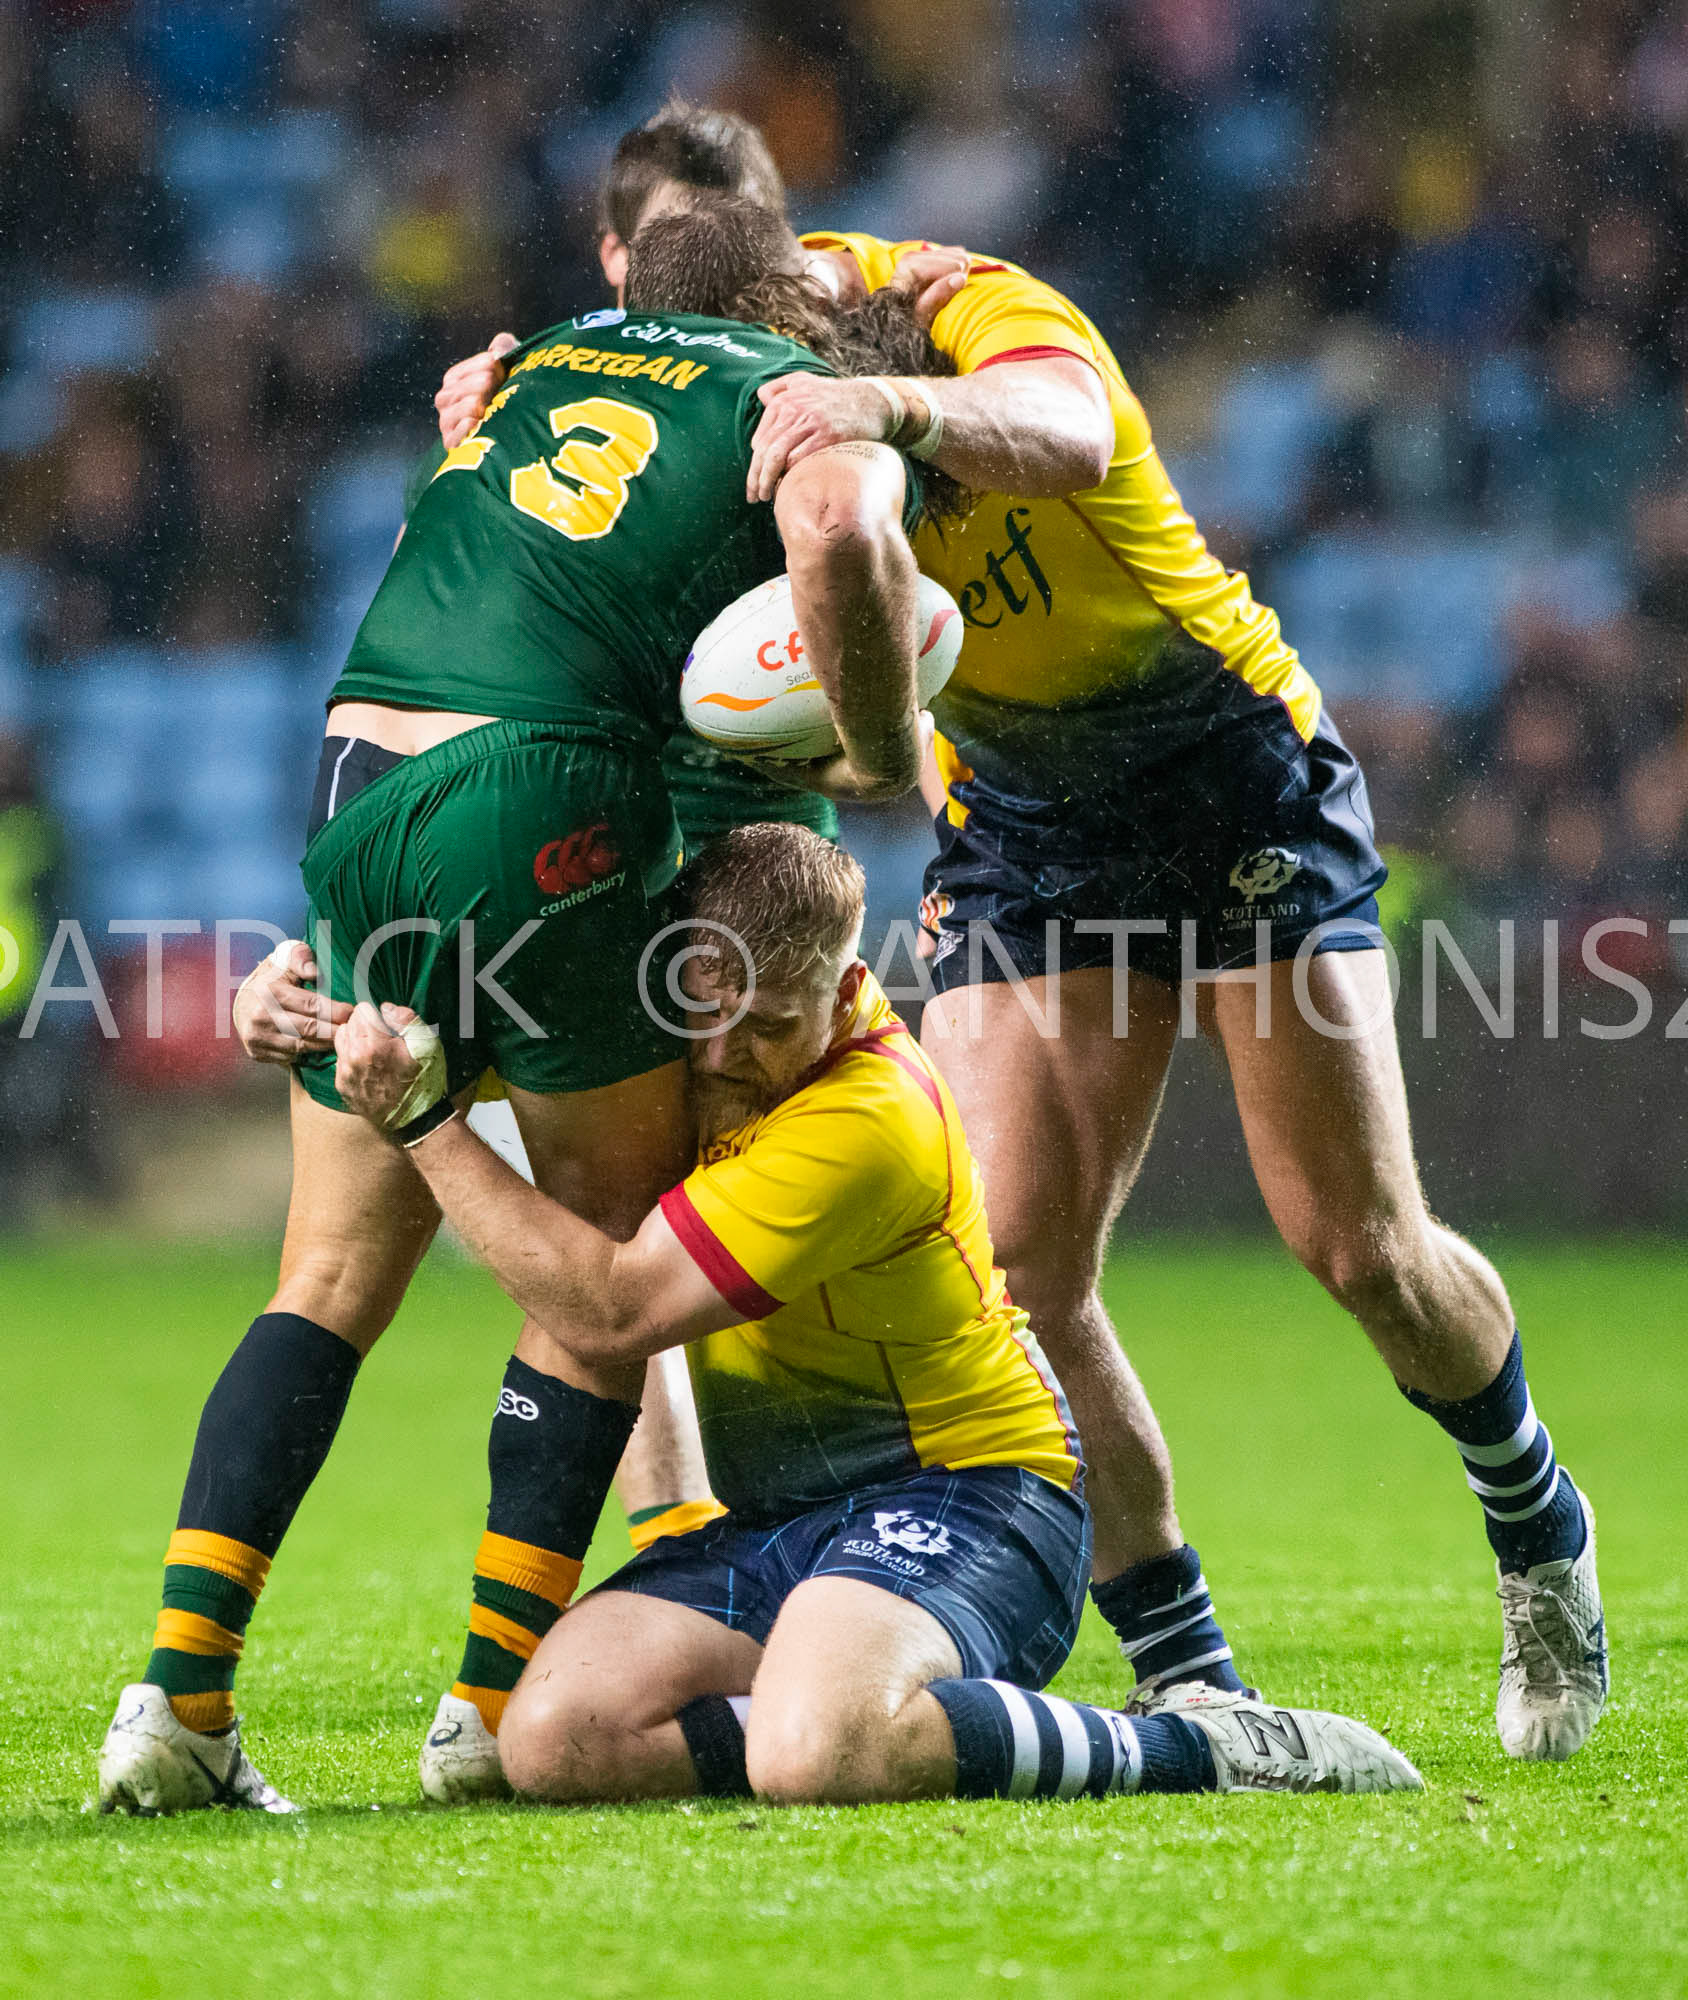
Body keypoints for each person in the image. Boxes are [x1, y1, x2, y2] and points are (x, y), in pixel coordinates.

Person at [434, 105, 1607, 1761]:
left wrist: (882, 408)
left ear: (815, 310)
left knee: (1354, 1243)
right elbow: (597, 445)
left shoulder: (952, 306)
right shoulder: (709, 362)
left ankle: (1533, 1526)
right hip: (1032, 821)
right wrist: (500, 406)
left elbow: (1058, 429)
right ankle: (1188, 1674)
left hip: (1230, 770)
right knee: (1017, 1267)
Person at [95, 198, 949, 1816]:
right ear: (784, 303)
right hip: (540, 784)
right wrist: (883, 751)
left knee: (326, 1276)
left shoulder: (533, 366)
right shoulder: (788, 399)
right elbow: (838, 536)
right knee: (596, 1274)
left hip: (358, 776)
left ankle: (178, 1704)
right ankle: (488, 1709)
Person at [327, 821, 1423, 1808]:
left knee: (813, 1760)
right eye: (702, 1016)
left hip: (975, 1495)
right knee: (556, 1738)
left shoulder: (865, 1120)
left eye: (763, 1025)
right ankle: (842, 1698)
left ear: (844, 982)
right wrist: (298, 1011)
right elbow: (465, 1036)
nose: (719, 1056)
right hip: (774, 1522)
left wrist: (422, 1124)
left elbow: (614, 1312)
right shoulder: (704, 1035)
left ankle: (1207, 1746)